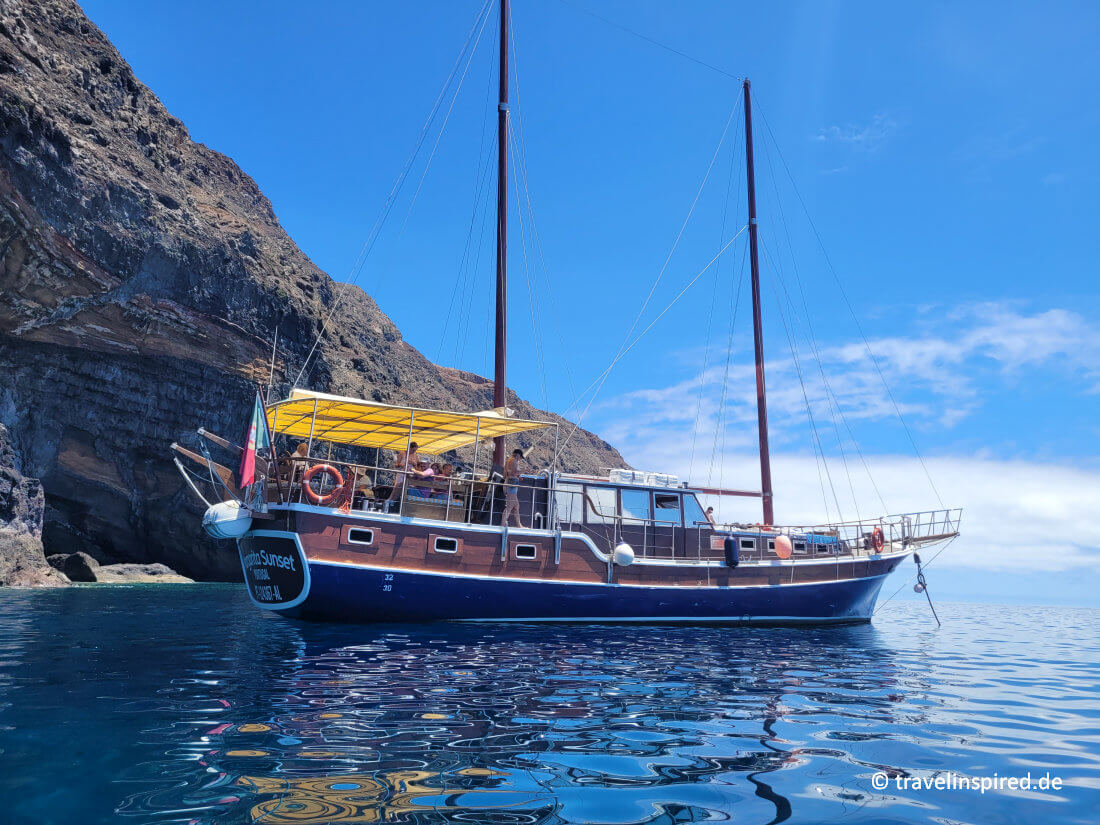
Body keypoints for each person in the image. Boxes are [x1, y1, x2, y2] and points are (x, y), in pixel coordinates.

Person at [387, 441, 420, 507]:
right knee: (397, 487)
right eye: (413, 450)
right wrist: (401, 465)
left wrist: (414, 464)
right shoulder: (402, 453)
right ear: (409, 448)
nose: (414, 451)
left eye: (415, 450)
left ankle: (398, 502)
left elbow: (417, 468)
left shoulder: (415, 456)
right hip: (402, 473)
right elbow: (396, 464)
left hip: (410, 474)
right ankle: (391, 500)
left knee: (405, 488)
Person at [500, 448, 526, 528]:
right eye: (521, 457)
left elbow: (509, 473)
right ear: (518, 454)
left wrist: (518, 477)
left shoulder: (509, 460)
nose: (520, 459)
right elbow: (514, 472)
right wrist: (523, 471)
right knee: (510, 506)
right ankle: (503, 524)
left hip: (510, 483)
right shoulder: (514, 461)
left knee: (516, 506)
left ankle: (519, 525)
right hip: (512, 485)